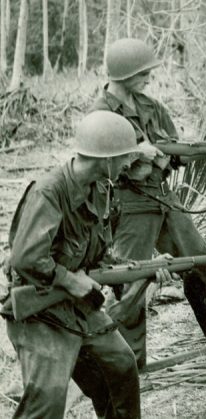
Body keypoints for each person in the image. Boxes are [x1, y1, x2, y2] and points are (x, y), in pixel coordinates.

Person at [89, 38, 206, 369]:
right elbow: (97, 163)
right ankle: (129, 362)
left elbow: (178, 152)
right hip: (128, 204)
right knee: (132, 279)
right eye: (143, 71)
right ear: (124, 73)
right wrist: (137, 153)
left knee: (201, 260)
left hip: (163, 198)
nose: (149, 76)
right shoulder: (100, 115)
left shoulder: (150, 107)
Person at [0, 111, 156, 419]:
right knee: (48, 400)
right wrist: (71, 281)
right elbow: (26, 259)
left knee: (122, 366)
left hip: (79, 307)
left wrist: (142, 269)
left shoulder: (102, 189)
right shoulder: (50, 191)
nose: (128, 164)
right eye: (125, 157)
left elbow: (100, 255)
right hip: (40, 313)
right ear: (106, 158)